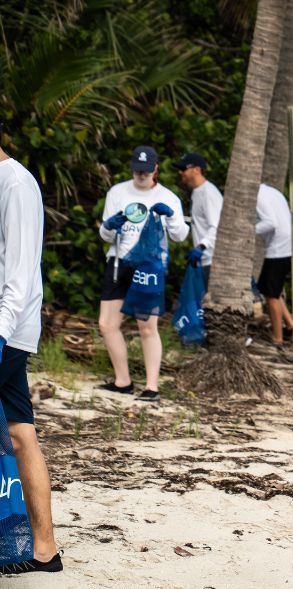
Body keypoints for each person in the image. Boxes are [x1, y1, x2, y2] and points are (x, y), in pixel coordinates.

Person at [0, 127, 61, 573]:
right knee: (20, 430)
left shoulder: (16, 184)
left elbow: (19, 272)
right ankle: (45, 549)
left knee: (20, 432)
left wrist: (1, 334)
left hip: (7, 328)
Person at [98, 145, 189, 401]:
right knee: (107, 324)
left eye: (146, 171)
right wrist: (109, 225)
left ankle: (152, 387)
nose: (141, 175)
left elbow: (181, 236)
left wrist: (170, 217)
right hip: (119, 262)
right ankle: (123, 381)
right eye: (137, 170)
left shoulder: (169, 197)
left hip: (149, 266)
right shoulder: (117, 192)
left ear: (155, 169)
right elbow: (105, 235)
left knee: (146, 326)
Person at [173, 152, 221, 288]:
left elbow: (216, 226)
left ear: (197, 170)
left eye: (184, 169)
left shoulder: (208, 193)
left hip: (213, 260)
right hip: (204, 260)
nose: (181, 173)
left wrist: (201, 246)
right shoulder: (197, 192)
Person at [255, 184, 293, 345]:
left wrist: (248, 229)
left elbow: (270, 222)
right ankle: (290, 325)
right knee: (272, 290)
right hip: (287, 245)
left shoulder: (258, 195)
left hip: (279, 248)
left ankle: (277, 338)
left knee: (271, 295)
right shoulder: (271, 191)